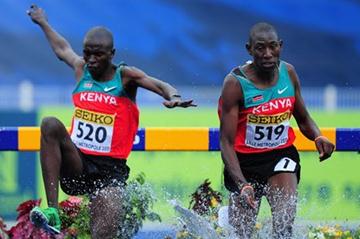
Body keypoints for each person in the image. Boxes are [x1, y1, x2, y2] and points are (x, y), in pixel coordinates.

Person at [27, 4, 196, 238]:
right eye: (87, 53)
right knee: (50, 124)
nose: (91, 59)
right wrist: (43, 22)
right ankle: (53, 211)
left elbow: (159, 84)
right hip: (79, 163)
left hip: (109, 173)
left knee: (102, 234)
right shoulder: (81, 69)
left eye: (98, 54)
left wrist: (174, 97)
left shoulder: (125, 76)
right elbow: (62, 48)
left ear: (112, 54)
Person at [218, 22, 334, 239]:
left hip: (280, 156)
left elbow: (303, 118)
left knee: (283, 228)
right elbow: (225, 142)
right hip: (243, 162)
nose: (268, 54)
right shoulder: (234, 84)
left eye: (273, 47)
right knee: (240, 235)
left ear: (280, 46)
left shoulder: (288, 73)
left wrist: (317, 135)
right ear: (249, 49)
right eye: (261, 48)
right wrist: (242, 185)